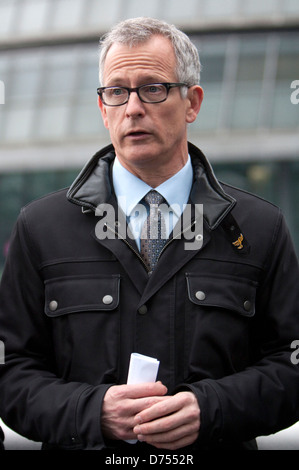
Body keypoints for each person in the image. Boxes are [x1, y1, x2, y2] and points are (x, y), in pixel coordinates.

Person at [0, 17, 298, 454]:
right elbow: (12, 374)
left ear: (192, 102)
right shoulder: (40, 228)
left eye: (153, 88)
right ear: (103, 109)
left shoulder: (260, 228)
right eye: (117, 91)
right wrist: (92, 411)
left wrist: (209, 408)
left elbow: (290, 368)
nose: (133, 107)